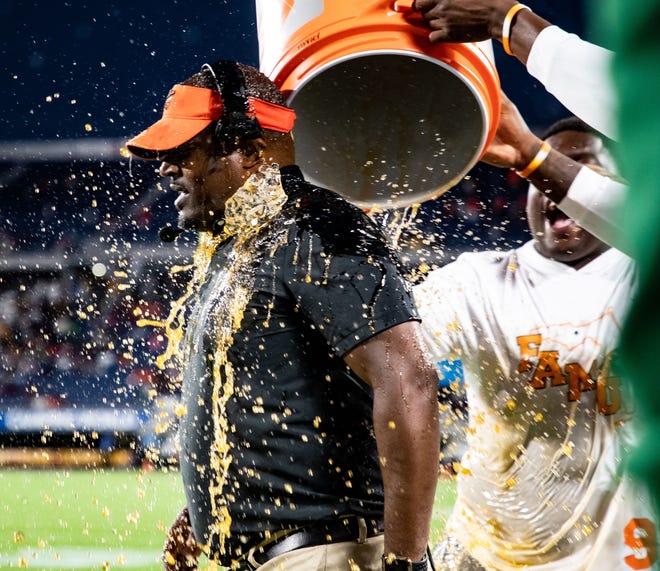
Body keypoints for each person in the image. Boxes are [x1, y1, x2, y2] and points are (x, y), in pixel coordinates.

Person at [124, 60, 439, 571]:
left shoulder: (317, 227)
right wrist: (213, 507)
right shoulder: (245, 243)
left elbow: (410, 380)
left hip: (326, 554)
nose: (165, 166)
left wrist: (405, 563)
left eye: (185, 150)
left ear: (249, 152)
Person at [414, 116, 658, 570]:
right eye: (537, 174)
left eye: (574, 169)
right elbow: (392, 360)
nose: (551, 182)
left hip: (623, 554)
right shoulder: (477, 281)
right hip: (488, 554)